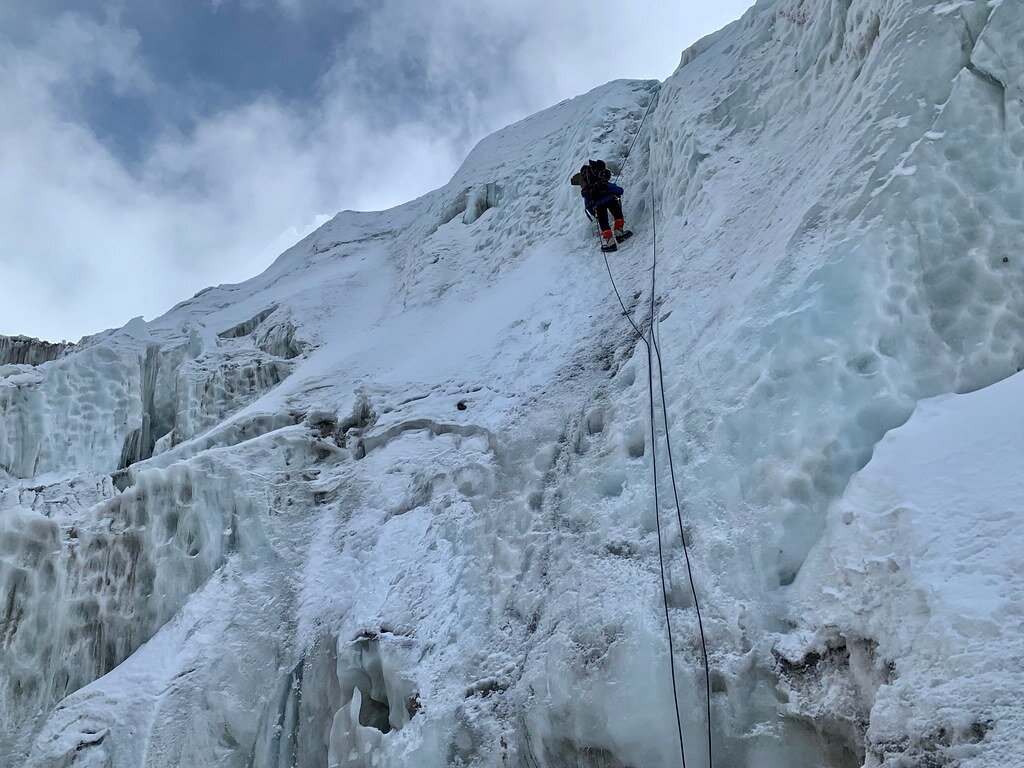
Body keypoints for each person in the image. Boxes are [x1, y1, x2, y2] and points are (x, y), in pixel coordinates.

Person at [571, 159, 632, 252]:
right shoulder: (604, 183)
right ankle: (619, 233)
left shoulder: (589, 187)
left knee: (603, 223)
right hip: (611, 200)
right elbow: (620, 190)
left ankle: (610, 243)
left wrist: (592, 212)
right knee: (618, 215)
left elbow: (587, 202)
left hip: (598, 205)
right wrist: (616, 191)